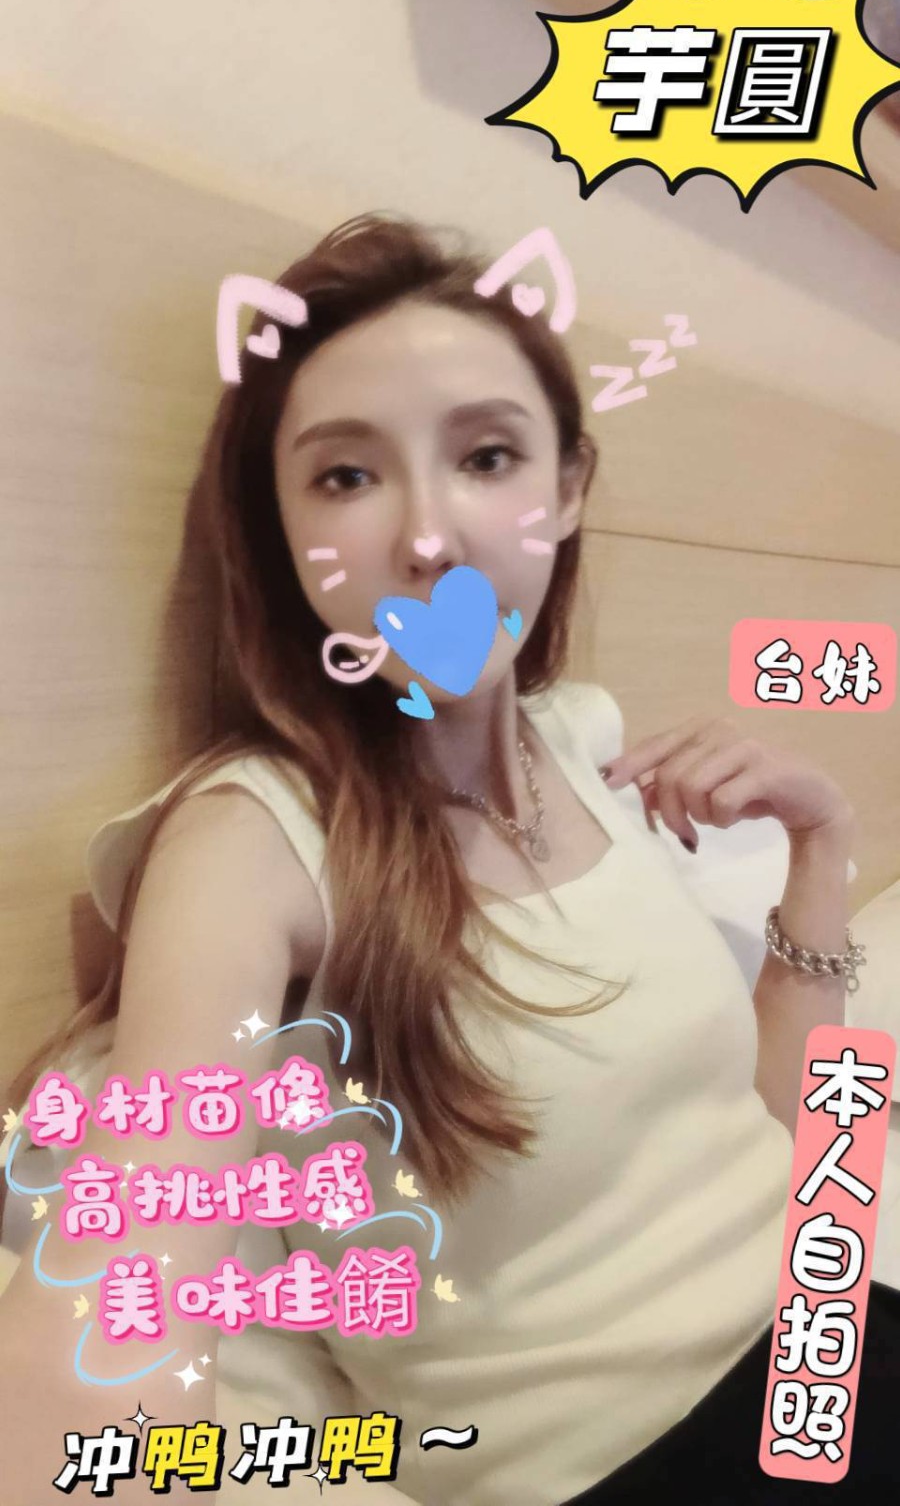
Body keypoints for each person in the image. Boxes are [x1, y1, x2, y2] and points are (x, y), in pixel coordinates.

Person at [2, 212, 898, 1505]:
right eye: (345, 477)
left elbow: (777, 1128)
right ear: (279, 528)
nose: (429, 538)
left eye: (486, 457)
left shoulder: (579, 740)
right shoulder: (255, 842)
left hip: (840, 1316)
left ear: (568, 488)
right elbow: (112, 1300)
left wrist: (824, 846)